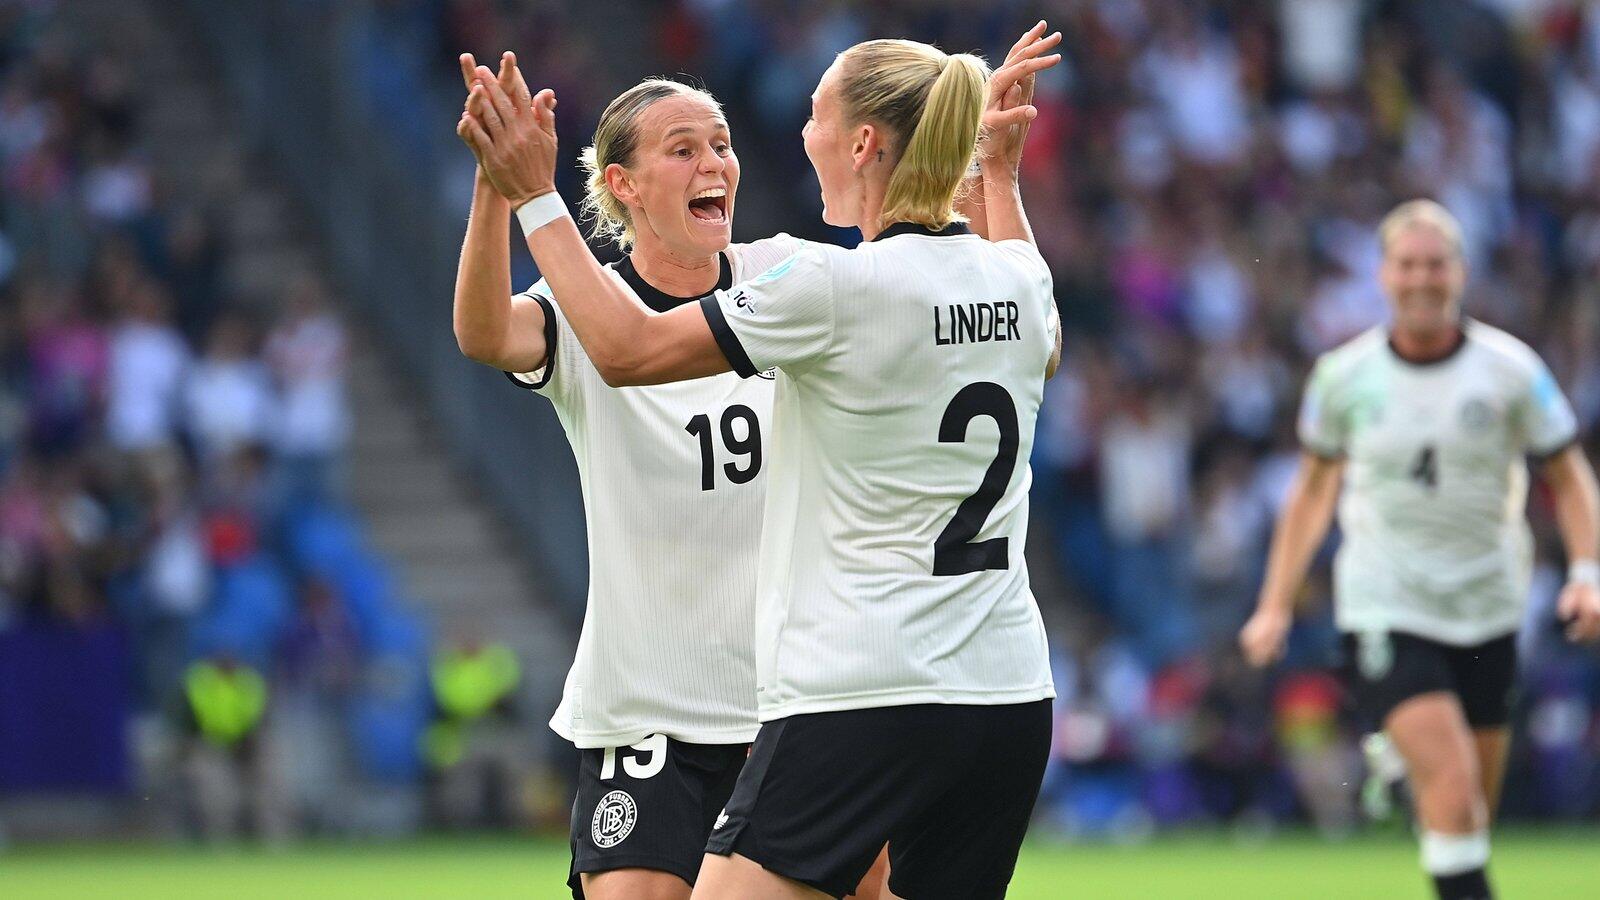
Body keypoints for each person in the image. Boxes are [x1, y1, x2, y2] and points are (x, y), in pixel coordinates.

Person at [458, 22, 1064, 899]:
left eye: (810, 117)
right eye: (684, 148)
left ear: (862, 143)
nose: (784, 139)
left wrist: (532, 196)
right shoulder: (1017, 281)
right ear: (623, 184)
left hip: (850, 688)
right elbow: (1031, 332)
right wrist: (994, 174)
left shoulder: (808, 281)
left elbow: (628, 349)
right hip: (987, 688)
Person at [1239, 200, 1600, 900]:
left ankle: (1405, 773)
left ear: (1460, 272)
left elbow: (1568, 474)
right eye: (1407, 265)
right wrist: (1274, 604)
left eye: (1435, 264)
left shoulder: (1511, 370)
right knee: (1454, 789)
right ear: (1383, 275)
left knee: (1468, 814)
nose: (1421, 279)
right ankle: (1413, 764)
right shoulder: (1343, 376)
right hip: (1388, 602)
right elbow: (1312, 491)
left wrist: (1586, 572)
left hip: (1489, 605)